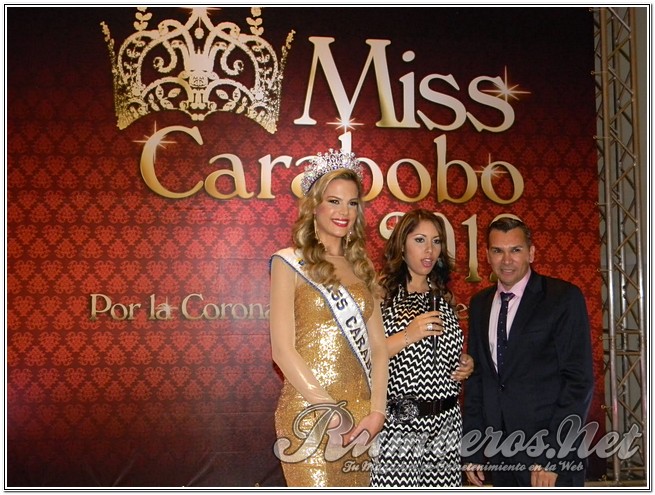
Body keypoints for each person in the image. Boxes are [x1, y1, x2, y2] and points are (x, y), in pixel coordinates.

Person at [269, 148, 388, 487]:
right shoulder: (288, 262)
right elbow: (282, 350)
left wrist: (377, 411)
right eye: (334, 201)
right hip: (309, 412)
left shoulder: (362, 268)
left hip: (361, 415)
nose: (344, 212)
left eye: (352, 203)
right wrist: (328, 410)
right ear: (314, 206)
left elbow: (379, 347)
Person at [462, 216, 594, 487]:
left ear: (531, 253)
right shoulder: (480, 304)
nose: (506, 260)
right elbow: (477, 381)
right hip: (499, 455)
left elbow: (578, 382)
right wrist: (472, 448)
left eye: (516, 250)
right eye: (498, 251)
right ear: (487, 255)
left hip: (549, 457)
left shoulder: (562, 298)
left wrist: (553, 455)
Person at [370, 209, 473, 487]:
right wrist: (408, 334)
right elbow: (365, 355)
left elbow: (441, 352)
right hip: (399, 425)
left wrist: (464, 362)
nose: (429, 250)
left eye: (436, 241)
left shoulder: (443, 294)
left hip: (446, 424)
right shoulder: (381, 293)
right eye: (419, 240)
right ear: (401, 245)